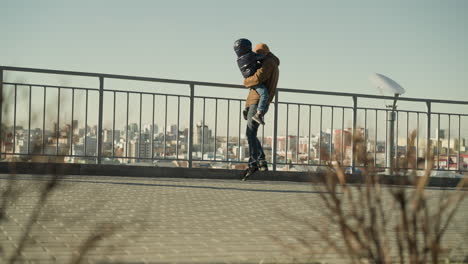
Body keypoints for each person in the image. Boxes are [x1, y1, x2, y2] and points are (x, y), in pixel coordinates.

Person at [241, 42, 280, 181]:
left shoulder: (268, 63)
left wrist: (246, 81)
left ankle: (253, 164)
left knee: (250, 133)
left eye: (258, 53)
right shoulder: (270, 62)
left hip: (257, 103)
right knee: (251, 133)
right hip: (256, 102)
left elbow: (257, 78)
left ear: (264, 52)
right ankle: (261, 161)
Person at [233, 38, 269, 125]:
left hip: (249, 80)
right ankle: (259, 113)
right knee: (264, 94)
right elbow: (262, 57)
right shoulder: (249, 56)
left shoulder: (239, 59)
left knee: (251, 93)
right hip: (254, 79)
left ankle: (246, 109)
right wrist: (267, 54)